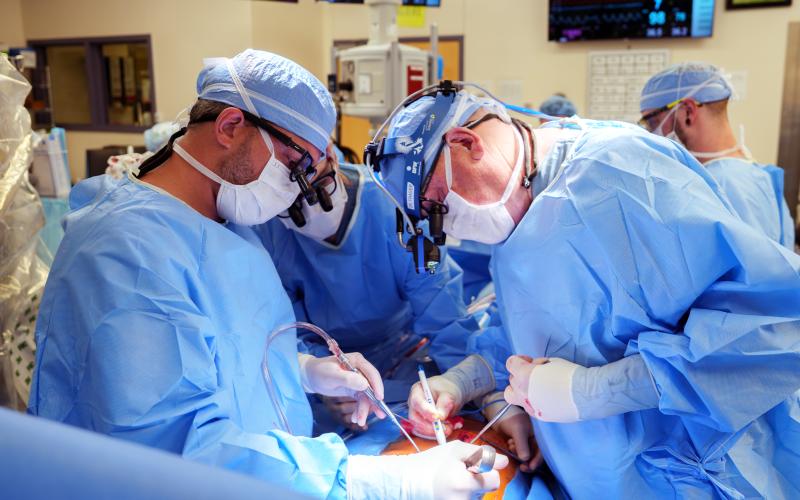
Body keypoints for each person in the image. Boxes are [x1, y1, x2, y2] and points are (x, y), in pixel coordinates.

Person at [28, 50, 506, 499]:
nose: (296, 194)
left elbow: (231, 350)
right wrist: (379, 480)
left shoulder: (229, 224)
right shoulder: (123, 252)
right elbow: (171, 448)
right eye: (296, 168)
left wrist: (304, 371)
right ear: (232, 125)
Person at [373, 83, 800, 498]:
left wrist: (592, 391)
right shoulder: (514, 213)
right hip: (595, 478)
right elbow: (537, 333)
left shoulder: (621, 176)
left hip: (690, 477)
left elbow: (762, 334)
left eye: (437, 206)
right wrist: (461, 383)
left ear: (467, 143)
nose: (447, 226)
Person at [253, 151, 481, 431]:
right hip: (328, 367)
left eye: (316, 190)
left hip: (402, 353)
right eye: (292, 205)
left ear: (329, 155)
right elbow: (279, 331)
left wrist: (459, 386)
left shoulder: (394, 209)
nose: (309, 209)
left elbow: (445, 318)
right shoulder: (266, 231)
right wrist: (320, 376)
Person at [640, 62, 795, 249]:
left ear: (688, 111)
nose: (651, 132)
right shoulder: (748, 174)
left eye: (652, 121)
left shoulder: (723, 185)